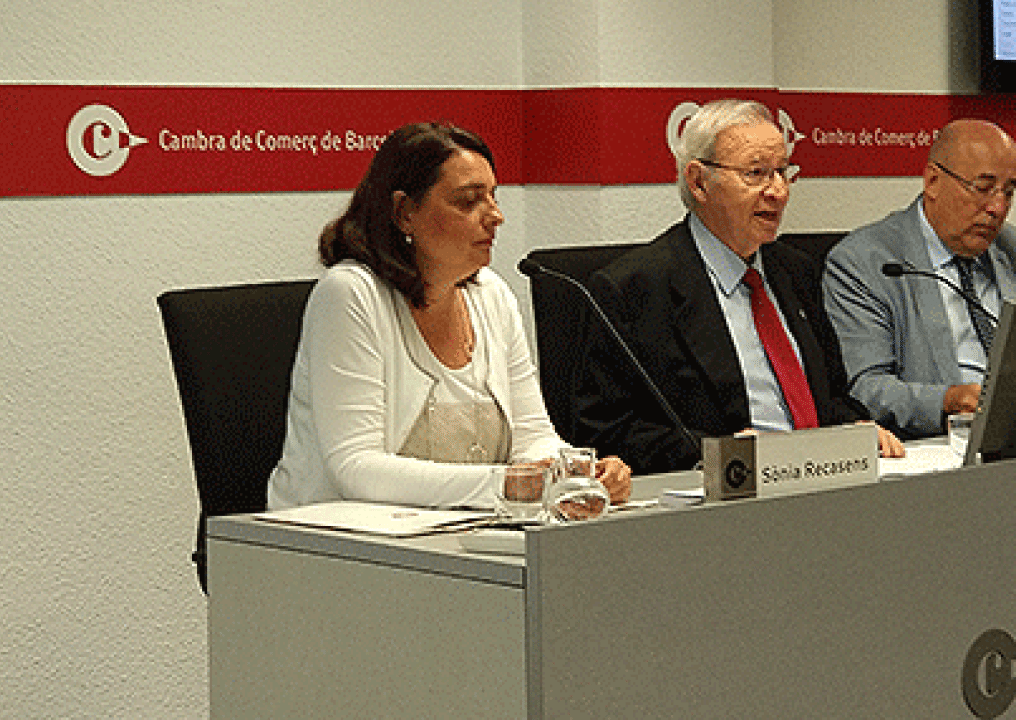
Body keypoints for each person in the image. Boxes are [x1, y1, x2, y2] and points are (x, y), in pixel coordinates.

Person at [267, 121, 632, 510]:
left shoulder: (493, 295)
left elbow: (533, 437)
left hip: (456, 537)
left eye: (493, 196)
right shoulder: (351, 294)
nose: (495, 216)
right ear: (404, 212)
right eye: (468, 201)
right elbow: (355, 467)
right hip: (331, 548)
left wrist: (575, 473)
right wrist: (507, 485)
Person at [573, 99, 904, 476]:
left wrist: (854, 427)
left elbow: (829, 395)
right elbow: (605, 429)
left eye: (782, 172)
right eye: (757, 174)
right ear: (699, 182)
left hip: (819, 481)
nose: (778, 191)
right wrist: (720, 453)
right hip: (724, 498)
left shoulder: (795, 271)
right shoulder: (635, 290)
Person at [822, 118, 1016, 439]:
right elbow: (865, 388)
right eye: (983, 188)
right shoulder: (865, 262)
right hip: (932, 445)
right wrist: (949, 400)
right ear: (932, 181)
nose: (997, 208)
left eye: (1009, 192)